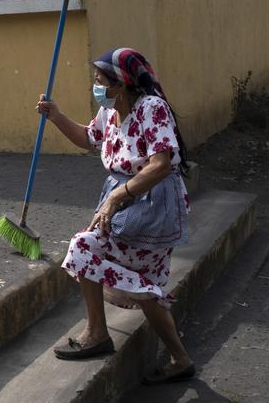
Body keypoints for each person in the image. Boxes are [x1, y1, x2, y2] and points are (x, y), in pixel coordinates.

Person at [34, 47, 195, 384]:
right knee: (145, 284)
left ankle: (97, 334)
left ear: (120, 84)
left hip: (152, 206)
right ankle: (180, 359)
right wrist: (56, 115)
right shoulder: (109, 114)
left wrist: (118, 197)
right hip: (124, 204)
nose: (96, 89)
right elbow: (88, 138)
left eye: (100, 82)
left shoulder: (152, 109)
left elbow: (162, 164)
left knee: (83, 247)